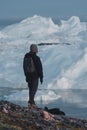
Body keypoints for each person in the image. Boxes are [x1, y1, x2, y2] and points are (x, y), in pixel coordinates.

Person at [23, 44, 43, 108]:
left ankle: (31, 102)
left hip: (28, 75)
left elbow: (24, 66)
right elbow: (39, 68)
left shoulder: (26, 56)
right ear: (35, 50)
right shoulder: (36, 58)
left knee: (30, 89)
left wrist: (26, 75)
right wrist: (41, 76)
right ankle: (31, 102)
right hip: (34, 75)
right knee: (34, 89)